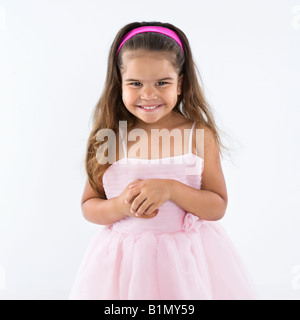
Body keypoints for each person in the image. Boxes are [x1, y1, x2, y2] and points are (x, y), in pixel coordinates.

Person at [69, 22, 257, 300]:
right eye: (135, 83)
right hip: (124, 265)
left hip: (185, 265)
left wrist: (171, 189)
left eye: (162, 83)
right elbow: (89, 206)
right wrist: (120, 205)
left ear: (179, 84)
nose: (148, 94)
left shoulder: (198, 135)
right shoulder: (110, 137)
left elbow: (217, 206)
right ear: (119, 84)